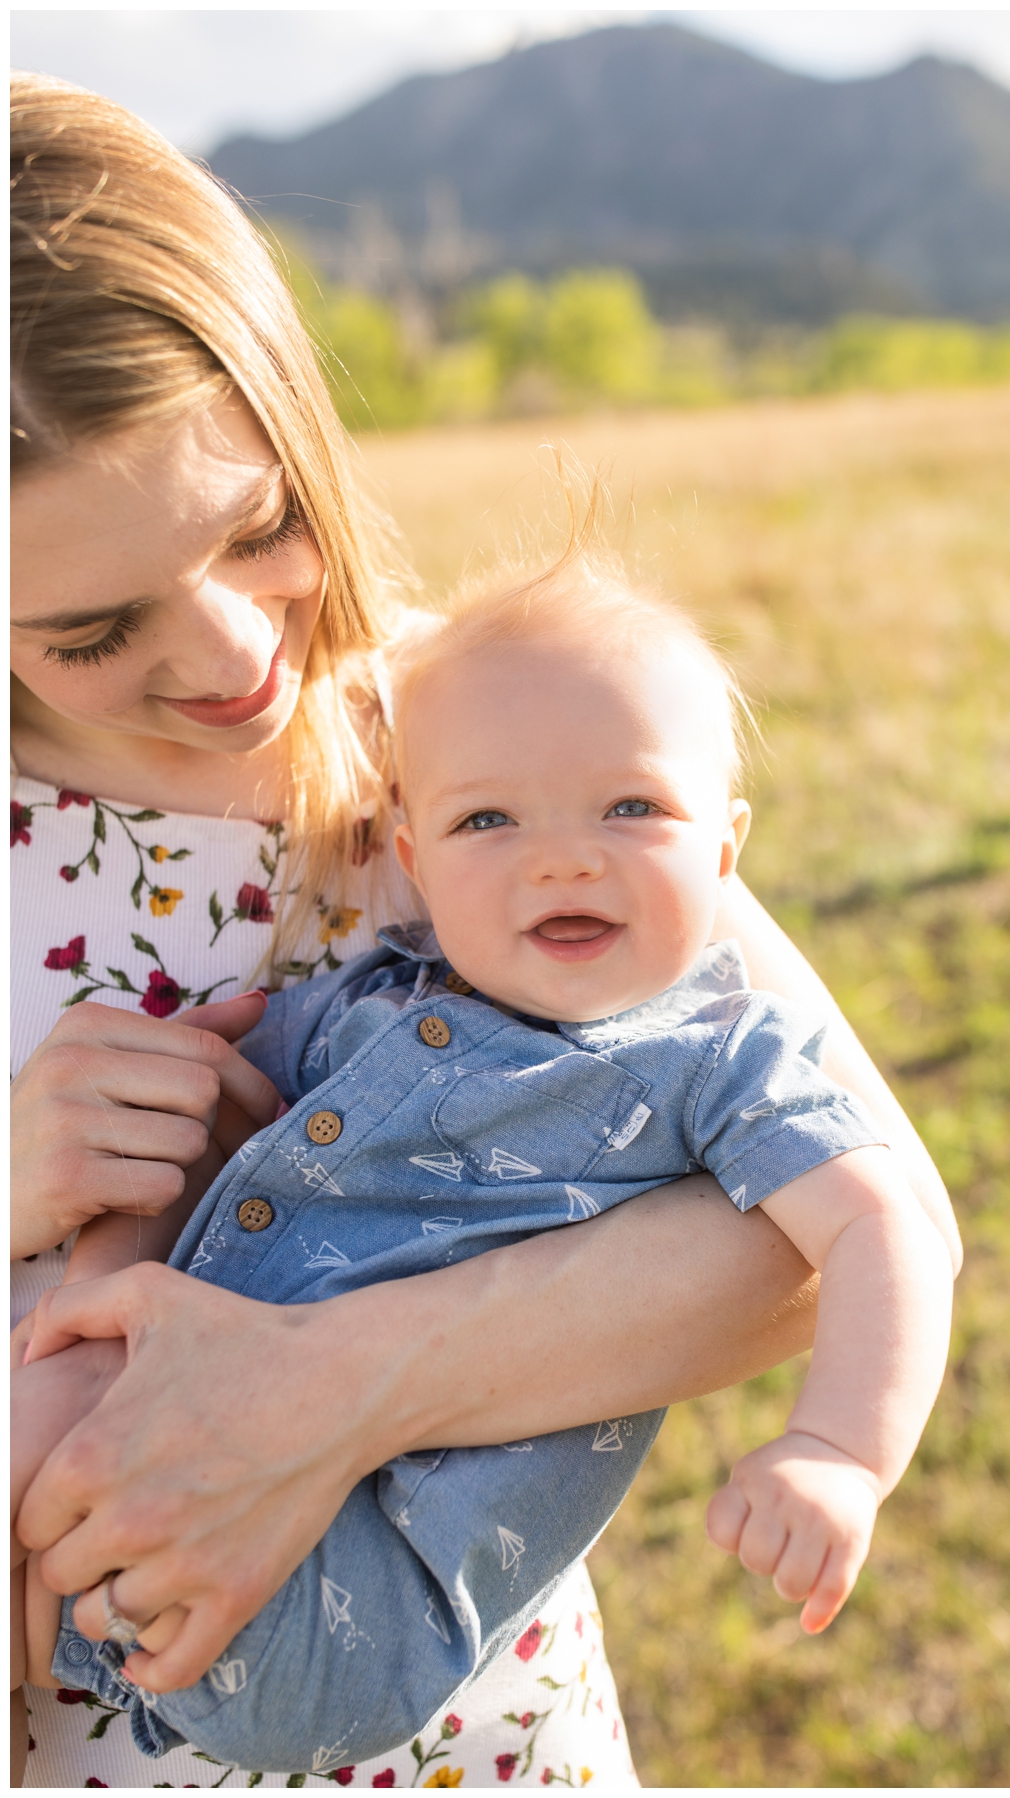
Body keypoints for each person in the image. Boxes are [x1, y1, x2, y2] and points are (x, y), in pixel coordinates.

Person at [9, 75, 959, 1786]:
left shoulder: (490, 740)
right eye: (89, 628)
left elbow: (821, 1232)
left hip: (485, 1740)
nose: (234, 651)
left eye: (259, 523)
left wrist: (333, 1383)